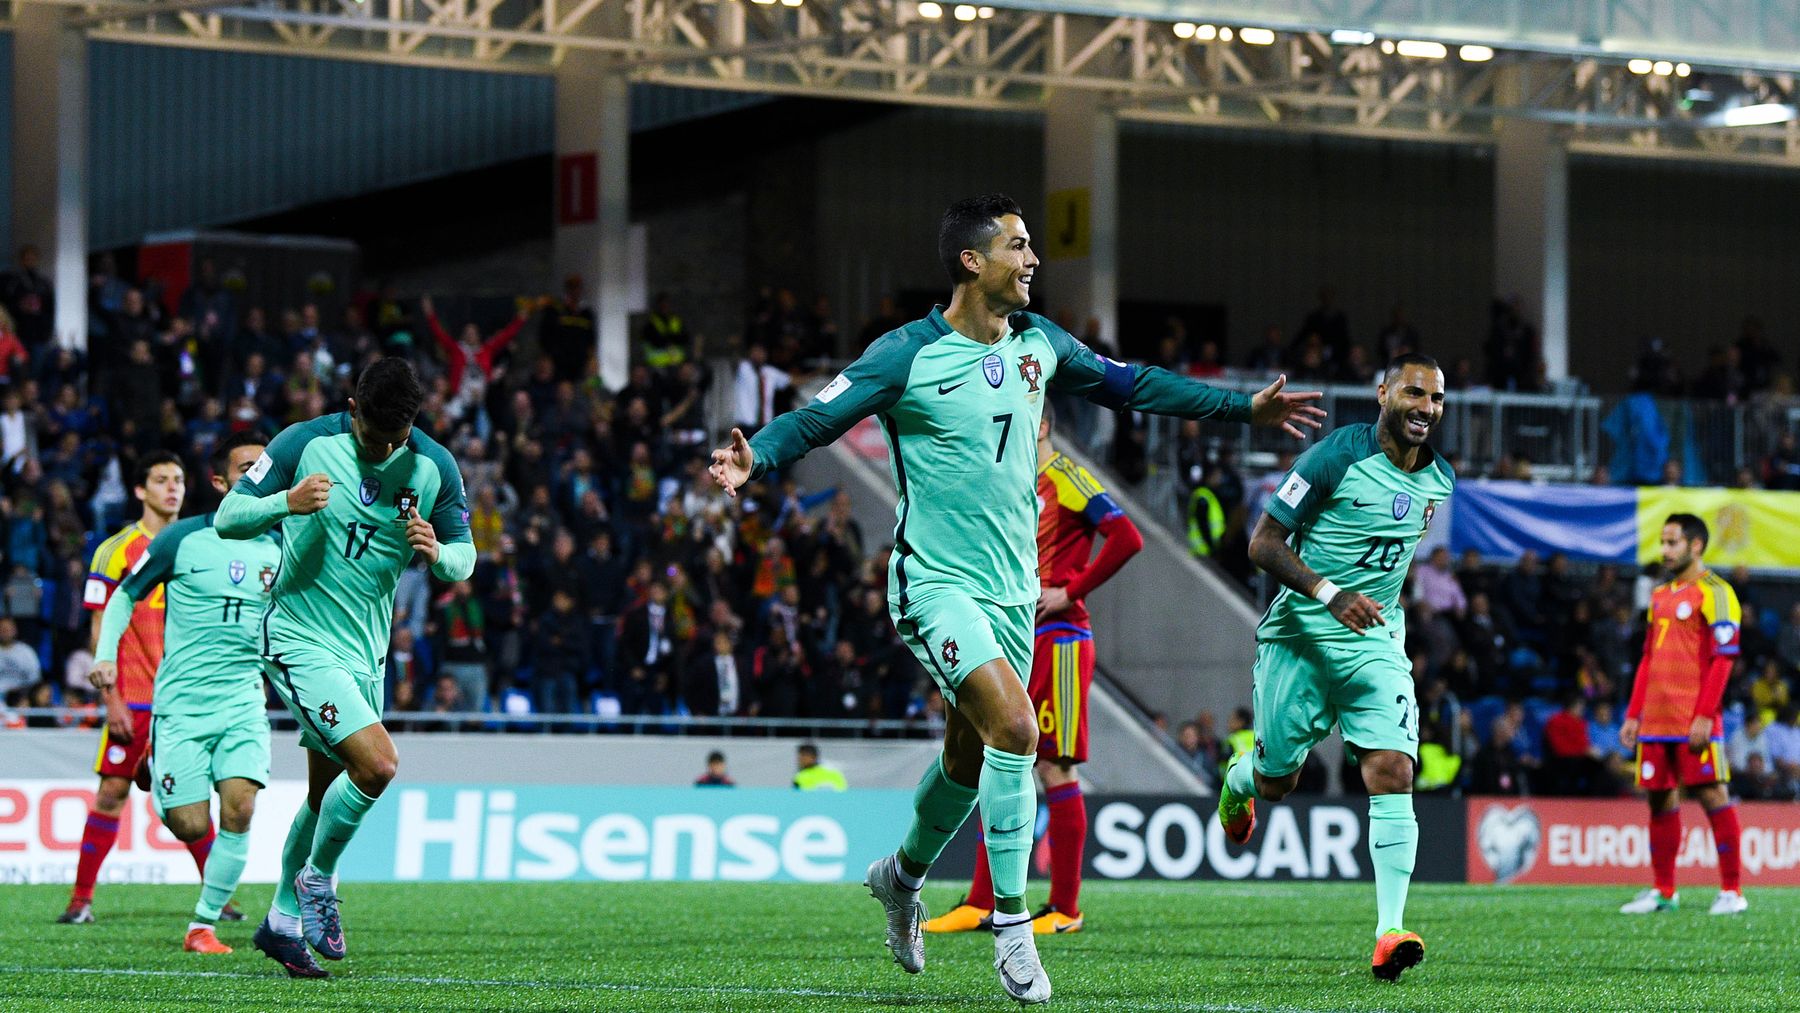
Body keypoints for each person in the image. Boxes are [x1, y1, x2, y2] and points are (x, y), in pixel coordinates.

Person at [708, 193, 1323, 1005]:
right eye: (1018, 245)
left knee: (967, 761)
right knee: (1018, 729)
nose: (1033, 259)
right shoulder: (906, 355)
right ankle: (1012, 928)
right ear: (972, 261)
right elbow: (818, 418)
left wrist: (1241, 406)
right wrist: (759, 457)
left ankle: (901, 877)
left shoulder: (1040, 343)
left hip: (1012, 593)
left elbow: (1133, 384)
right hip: (935, 583)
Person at [215, 356, 475, 977]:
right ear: (352, 408)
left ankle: (281, 924)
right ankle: (318, 880)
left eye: (395, 439)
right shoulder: (303, 444)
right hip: (298, 637)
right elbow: (227, 518)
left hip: (366, 655)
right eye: (372, 436)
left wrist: (438, 552)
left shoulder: (434, 466)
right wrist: (285, 502)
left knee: (321, 794)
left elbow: (465, 559)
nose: (383, 449)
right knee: (378, 764)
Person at [1217, 353, 1454, 982]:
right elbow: (1262, 543)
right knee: (1277, 782)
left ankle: (1389, 931)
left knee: (1393, 770)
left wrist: (1372, 607)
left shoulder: (1439, 480)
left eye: (1435, 398)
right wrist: (1330, 593)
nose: (1426, 408)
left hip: (1375, 640)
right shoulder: (1331, 459)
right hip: (1300, 636)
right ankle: (1238, 784)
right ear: (1382, 394)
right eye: (1414, 393)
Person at [927, 397, 1143, 935]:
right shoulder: (1014, 482)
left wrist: (1072, 590)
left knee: (1055, 767)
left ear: (1041, 424)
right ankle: (982, 902)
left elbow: (1127, 537)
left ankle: (1066, 909)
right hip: (1016, 634)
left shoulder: (1066, 475)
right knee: (998, 758)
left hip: (1062, 639)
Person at [86, 432, 280, 954]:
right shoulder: (182, 539)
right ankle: (157, 764)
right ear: (220, 482)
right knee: (190, 822)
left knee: (240, 808)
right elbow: (124, 597)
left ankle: (202, 926)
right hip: (181, 707)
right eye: (246, 468)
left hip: (243, 702)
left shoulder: (282, 547)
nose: (258, 476)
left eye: (265, 467)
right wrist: (105, 657)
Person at [59, 450, 208, 925]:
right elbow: (99, 632)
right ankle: (80, 900)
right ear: (141, 490)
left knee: (194, 796)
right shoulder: (115, 550)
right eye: (161, 479)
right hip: (135, 698)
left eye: (178, 479)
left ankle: (219, 900)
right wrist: (111, 700)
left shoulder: (202, 545)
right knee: (111, 793)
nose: (172, 487)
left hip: (187, 699)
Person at [1618, 514, 1746, 916]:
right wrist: (1634, 714)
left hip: (1694, 719)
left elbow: (1724, 659)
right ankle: (1664, 891)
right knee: (1659, 801)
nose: (1665, 550)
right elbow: (1647, 658)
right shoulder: (1660, 595)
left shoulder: (1717, 592)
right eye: (1663, 542)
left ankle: (1732, 891)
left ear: (1695, 546)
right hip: (1656, 721)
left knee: (1713, 795)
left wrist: (1705, 715)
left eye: (1672, 542)